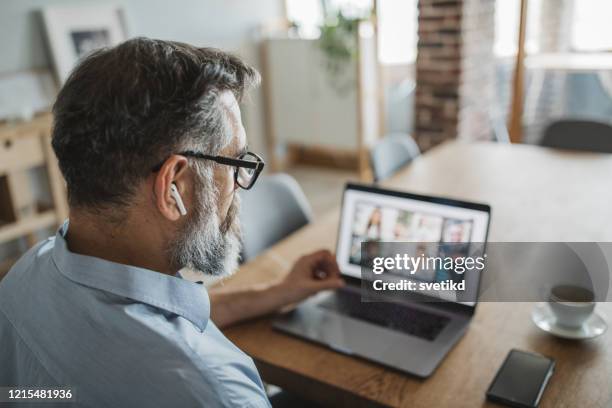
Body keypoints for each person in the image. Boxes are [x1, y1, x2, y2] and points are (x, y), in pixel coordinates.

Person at [0, 38, 345, 407]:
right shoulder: (215, 392)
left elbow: (152, 317)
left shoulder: (23, 276)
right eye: (236, 164)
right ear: (173, 188)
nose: (240, 186)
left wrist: (275, 293)